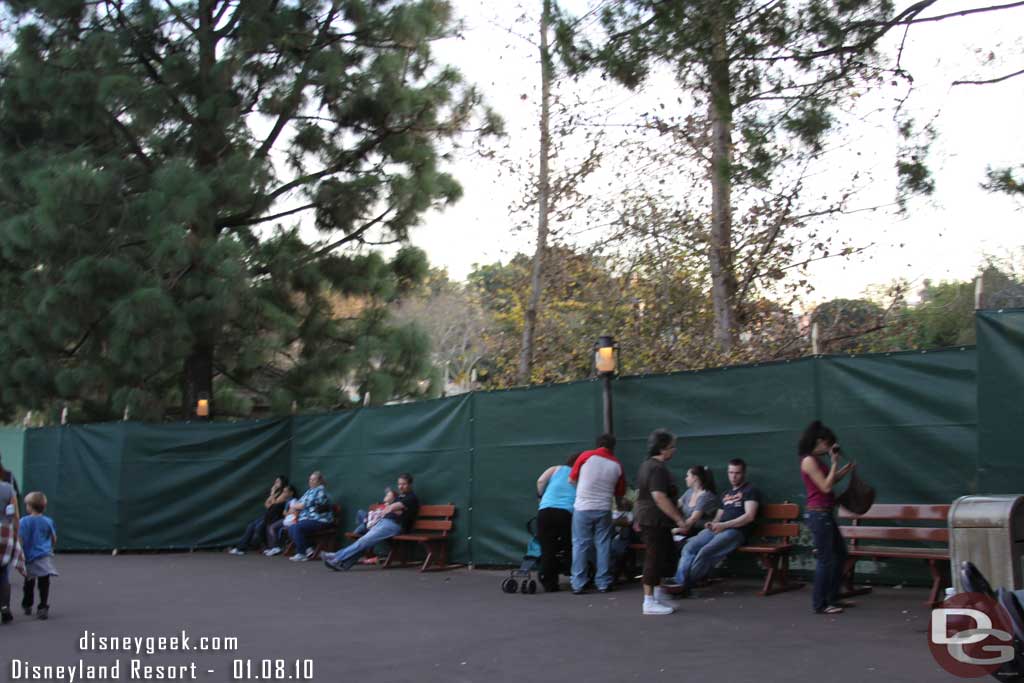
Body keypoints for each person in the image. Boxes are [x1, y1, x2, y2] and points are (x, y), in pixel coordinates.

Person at [672, 458, 761, 593]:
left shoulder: (750, 490)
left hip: (736, 531)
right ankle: (679, 582)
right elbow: (718, 517)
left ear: (744, 473)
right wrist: (712, 524)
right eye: (731, 473)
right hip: (719, 529)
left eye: (737, 473)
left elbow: (749, 516)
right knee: (689, 547)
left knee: (706, 551)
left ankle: (683, 585)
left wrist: (724, 525)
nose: (733, 476)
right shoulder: (725, 494)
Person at [800, 420, 855, 615]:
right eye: (828, 443)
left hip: (825, 513)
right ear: (820, 441)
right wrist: (833, 463)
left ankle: (832, 597)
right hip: (818, 514)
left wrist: (842, 471)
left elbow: (827, 481)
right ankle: (820, 603)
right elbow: (825, 487)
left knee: (840, 554)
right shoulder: (808, 460)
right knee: (826, 559)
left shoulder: (817, 460)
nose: (830, 447)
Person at [634, 429, 689, 615]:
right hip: (654, 520)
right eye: (672, 447)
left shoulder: (647, 465)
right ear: (663, 448)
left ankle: (657, 595)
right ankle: (648, 601)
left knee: (664, 555)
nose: (674, 451)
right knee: (654, 557)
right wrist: (679, 519)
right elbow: (659, 497)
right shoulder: (657, 468)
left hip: (652, 519)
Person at [323, 473, 419, 571]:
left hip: (395, 525)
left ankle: (336, 558)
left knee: (364, 540)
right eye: (399, 484)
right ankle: (344, 564)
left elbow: (391, 508)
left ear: (410, 484)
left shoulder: (411, 498)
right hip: (385, 522)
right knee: (365, 541)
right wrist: (393, 509)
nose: (401, 486)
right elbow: (391, 510)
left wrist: (392, 508)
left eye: (404, 484)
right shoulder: (401, 497)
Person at [568, 434, 626, 594]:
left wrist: (582, 491)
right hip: (604, 508)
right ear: (613, 447)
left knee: (580, 544)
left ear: (598, 444)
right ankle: (603, 582)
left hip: (582, 507)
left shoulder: (586, 456)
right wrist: (620, 508)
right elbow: (619, 494)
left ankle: (578, 583)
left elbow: (571, 479)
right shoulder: (617, 464)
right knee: (603, 544)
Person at [535, 452, 580, 592]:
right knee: (569, 546)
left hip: (544, 511)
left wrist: (540, 497)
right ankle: (575, 577)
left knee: (548, 548)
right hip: (565, 512)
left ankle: (548, 581)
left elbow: (540, 481)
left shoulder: (556, 468)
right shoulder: (579, 475)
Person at [227, 475, 291, 555]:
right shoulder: (277, 492)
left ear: (283, 482)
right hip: (268, 514)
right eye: (275, 481)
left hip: (276, 516)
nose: (275, 483)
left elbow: (274, 503)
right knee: (251, 526)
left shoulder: (284, 492)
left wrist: (272, 493)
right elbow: (267, 505)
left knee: (259, 527)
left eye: (278, 481)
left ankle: (266, 548)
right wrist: (273, 497)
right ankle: (240, 548)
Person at [19, 492, 57, 620]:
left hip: (29, 556)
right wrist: (50, 546)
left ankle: (27, 604)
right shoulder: (48, 521)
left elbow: (20, 538)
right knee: (44, 582)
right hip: (43, 555)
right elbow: (53, 537)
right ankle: (42, 606)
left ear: (29, 506)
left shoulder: (23, 521)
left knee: (29, 582)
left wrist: (20, 552)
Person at [287, 472, 334, 562]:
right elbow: (298, 503)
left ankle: (301, 553)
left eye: (314, 479)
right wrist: (295, 506)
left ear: (319, 481)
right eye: (310, 479)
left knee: (297, 527)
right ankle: (308, 549)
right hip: (308, 519)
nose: (311, 481)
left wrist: (294, 506)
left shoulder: (320, 490)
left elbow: (302, 505)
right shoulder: (310, 491)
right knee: (292, 527)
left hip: (321, 520)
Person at [673, 465, 719, 542]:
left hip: (701, 533)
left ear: (695, 478)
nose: (686, 478)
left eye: (688, 476)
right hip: (687, 531)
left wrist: (675, 530)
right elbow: (675, 506)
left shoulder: (706, 496)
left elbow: (693, 519)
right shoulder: (689, 492)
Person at [0, 471, 19, 624]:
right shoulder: (7, 488)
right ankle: (5, 607)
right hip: (4, 532)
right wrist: (17, 535)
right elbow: (15, 515)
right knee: (4, 571)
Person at [262, 484, 299, 556]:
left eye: (286, 492)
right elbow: (285, 513)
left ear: (291, 493)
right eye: (284, 492)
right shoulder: (288, 501)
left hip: (291, 521)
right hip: (285, 519)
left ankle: (276, 547)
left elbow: (294, 513)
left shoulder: (294, 501)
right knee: (271, 527)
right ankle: (274, 547)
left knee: (272, 527)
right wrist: (288, 512)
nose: (284, 493)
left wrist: (289, 512)